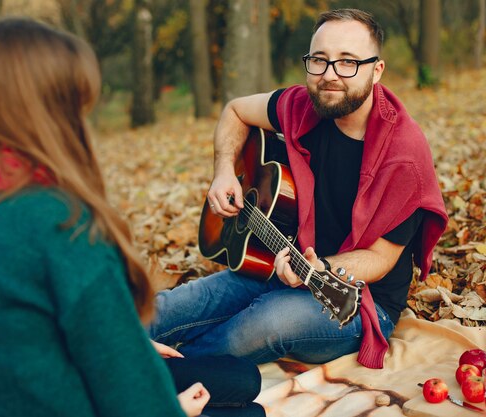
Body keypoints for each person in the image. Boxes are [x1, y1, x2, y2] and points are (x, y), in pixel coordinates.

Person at [0, 17, 263, 417]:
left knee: (243, 378)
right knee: (248, 409)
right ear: (54, 116)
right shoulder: (60, 223)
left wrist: (121, 339)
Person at [150, 8, 448, 370]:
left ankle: (154, 376)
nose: (329, 75)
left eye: (348, 62)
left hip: (352, 298)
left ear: (377, 70)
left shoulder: (405, 156)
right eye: (319, 60)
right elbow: (235, 110)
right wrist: (225, 171)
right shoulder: (303, 105)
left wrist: (318, 267)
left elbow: (380, 259)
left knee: (266, 322)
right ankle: (91, 353)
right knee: (172, 307)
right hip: (275, 263)